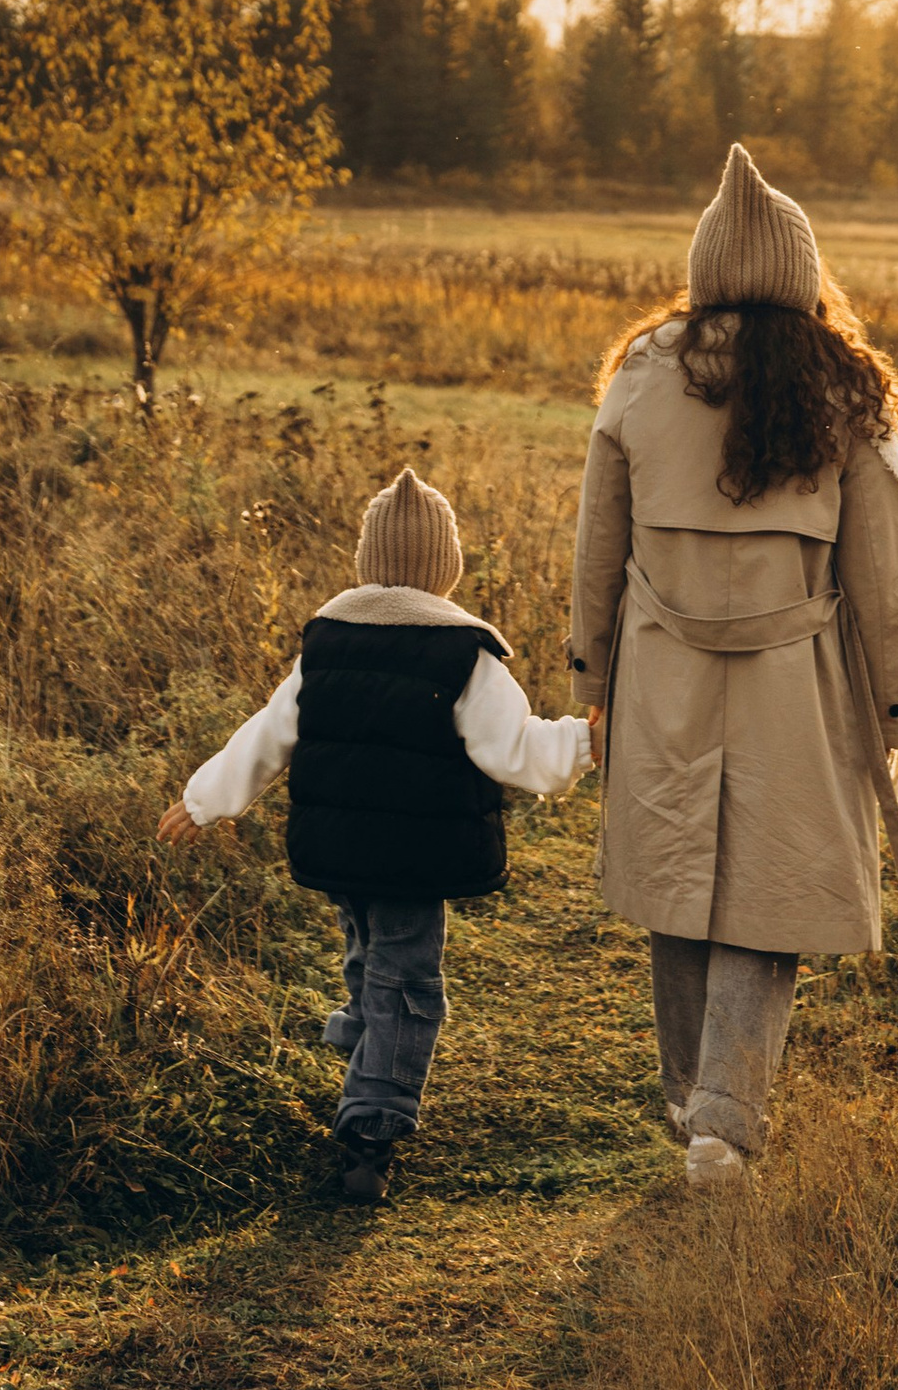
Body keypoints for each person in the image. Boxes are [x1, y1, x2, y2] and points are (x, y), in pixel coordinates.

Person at [570, 144, 898, 1190]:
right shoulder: (849, 388)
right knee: (770, 888)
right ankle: (724, 1115)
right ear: (801, 273)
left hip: (660, 665)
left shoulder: (641, 374)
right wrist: (894, 708)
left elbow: (598, 542)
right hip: (798, 676)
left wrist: (590, 681)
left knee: (682, 876)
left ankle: (694, 1100)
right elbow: (887, 573)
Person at [158, 463, 592, 1206]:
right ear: (445, 570)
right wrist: (586, 742)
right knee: (409, 979)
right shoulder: (465, 654)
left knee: (368, 949)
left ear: (367, 561)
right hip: (416, 855)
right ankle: (371, 1128)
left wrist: (205, 800)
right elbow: (512, 748)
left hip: (337, 849)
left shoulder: (327, 643)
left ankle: (358, 1037)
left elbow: (270, 734)